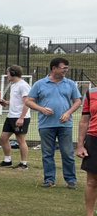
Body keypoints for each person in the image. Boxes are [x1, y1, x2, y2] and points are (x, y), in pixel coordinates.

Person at [25, 57, 83, 189]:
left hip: (65, 125)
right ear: (54, 68)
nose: (66, 71)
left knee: (67, 153)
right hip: (46, 125)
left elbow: (78, 101)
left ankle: (71, 180)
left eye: (67, 68)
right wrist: (41, 109)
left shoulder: (70, 84)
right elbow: (29, 101)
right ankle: (49, 180)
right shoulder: (40, 84)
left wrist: (68, 113)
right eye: (64, 68)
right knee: (47, 153)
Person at [0, 65, 31, 168]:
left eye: (8, 73)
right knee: (3, 138)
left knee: (20, 140)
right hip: (11, 116)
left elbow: (27, 103)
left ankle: (23, 163)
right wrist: (6, 103)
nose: (7, 75)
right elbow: (16, 102)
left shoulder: (23, 85)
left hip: (20, 117)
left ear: (13, 73)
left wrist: (21, 118)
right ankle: (7, 160)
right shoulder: (13, 85)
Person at [76, 83, 97, 216]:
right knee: (92, 181)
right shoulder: (92, 93)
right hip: (94, 139)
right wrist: (80, 145)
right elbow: (84, 120)